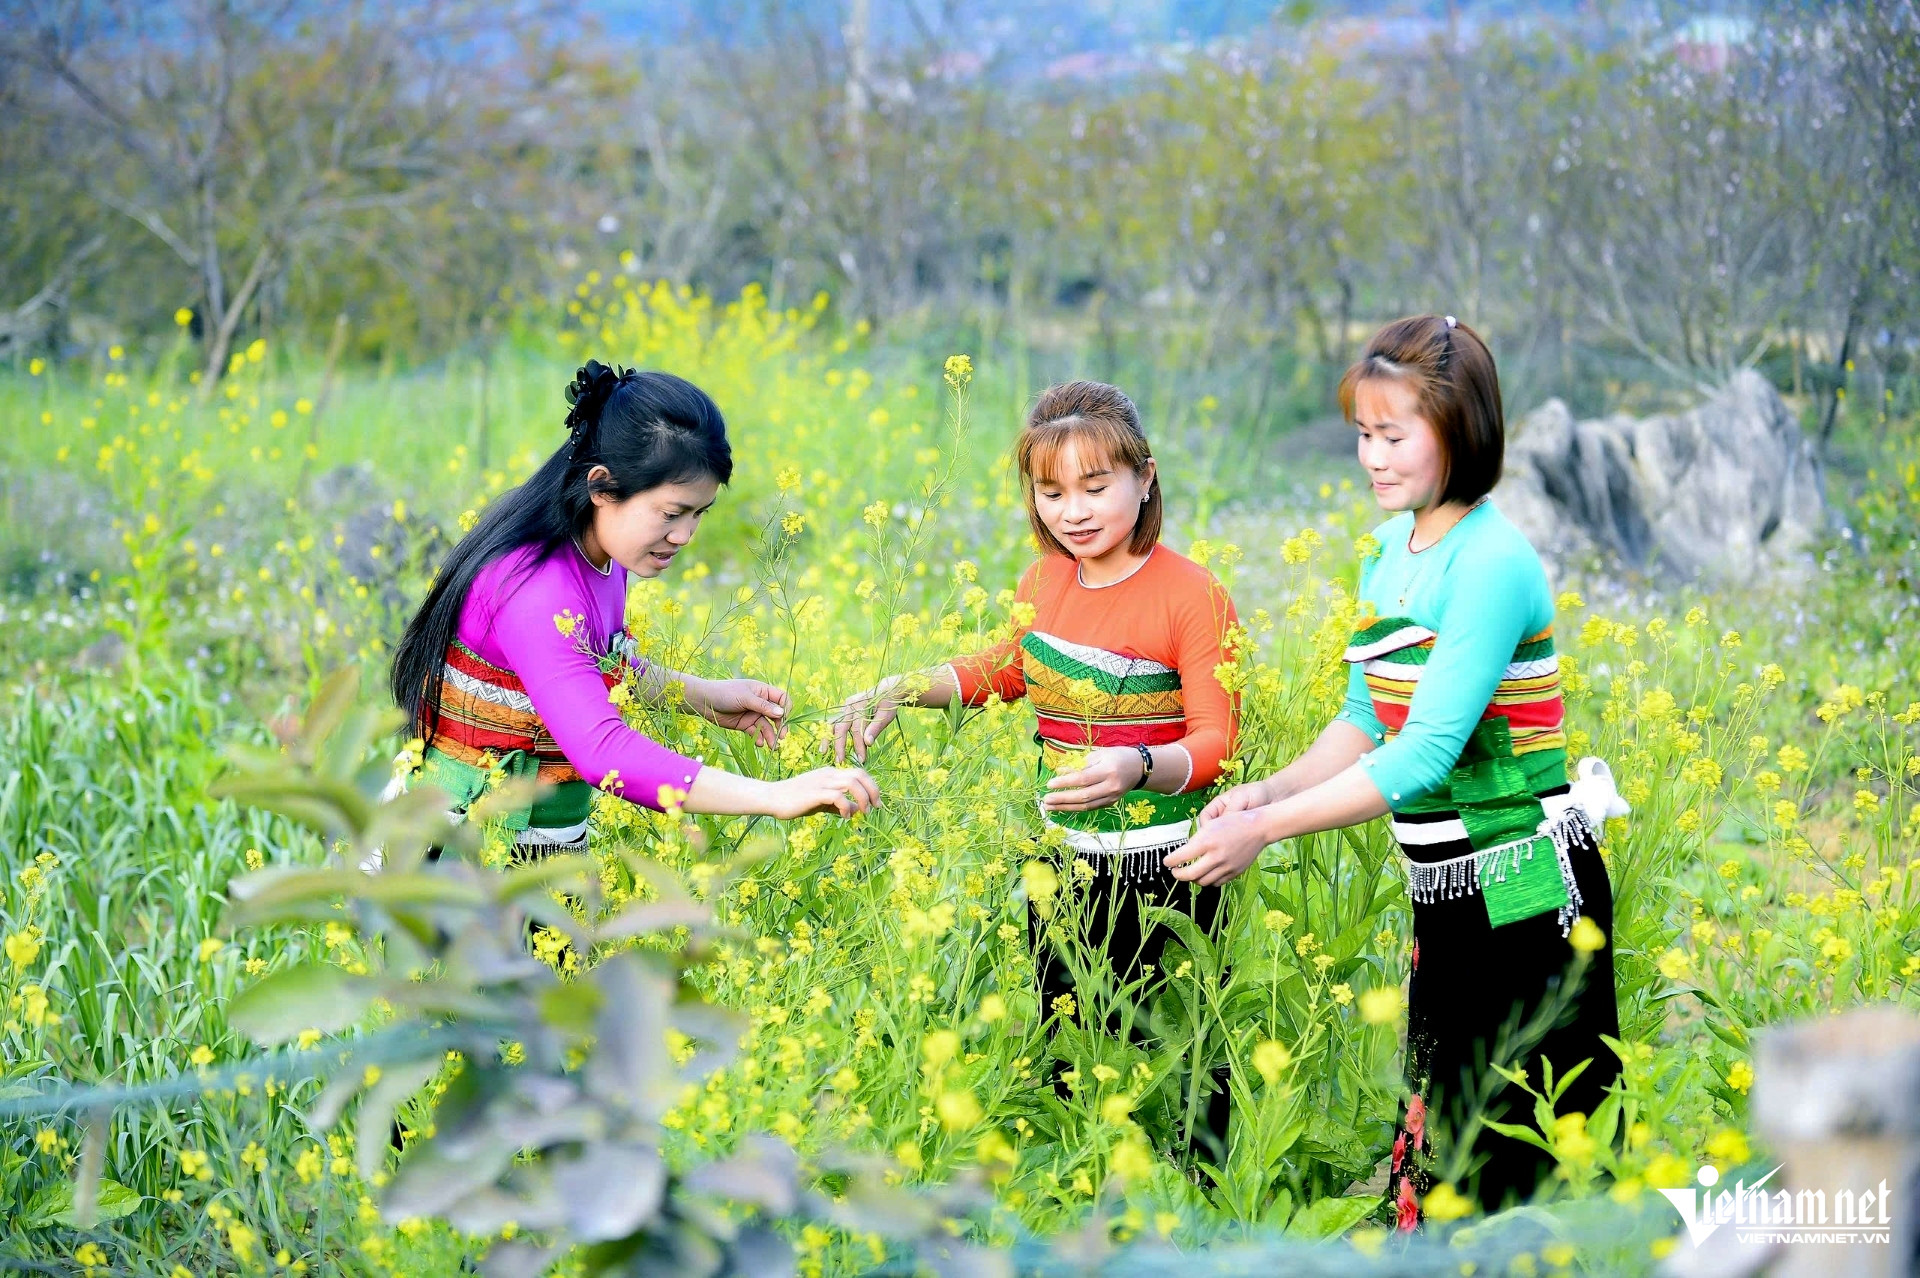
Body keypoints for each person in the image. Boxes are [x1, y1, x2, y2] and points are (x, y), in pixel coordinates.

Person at [1165, 316, 1624, 1220]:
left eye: (1394, 435)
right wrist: (1266, 791)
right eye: (1363, 435)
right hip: (1444, 892)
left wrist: (1264, 831)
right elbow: (1367, 719)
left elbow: (1426, 752)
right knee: (1446, 1139)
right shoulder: (1389, 552)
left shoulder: (1491, 562)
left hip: (1521, 885)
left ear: (1460, 431)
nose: (1372, 457)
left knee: (1520, 1157)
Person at [832, 380, 1238, 1152]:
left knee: (1181, 1047)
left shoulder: (1193, 595)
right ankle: (1076, 1185)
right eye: (1051, 493)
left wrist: (1137, 765)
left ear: (1145, 478)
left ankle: (1200, 1200)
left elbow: (1217, 741)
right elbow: (1009, 667)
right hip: (1062, 854)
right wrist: (902, 686)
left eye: (1095, 487)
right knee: (1068, 1037)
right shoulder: (1044, 579)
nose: (1072, 512)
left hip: (1172, 862)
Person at [388, 359, 877, 860]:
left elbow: (588, 667)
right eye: (672, 513)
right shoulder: (534, 587)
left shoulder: (601, 556)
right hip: (455, 856)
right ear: (601, 487)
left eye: (699, 514)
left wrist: (703, 696)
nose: (685, 535)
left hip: (530, 852)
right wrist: (774, 796)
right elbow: (601, 752)